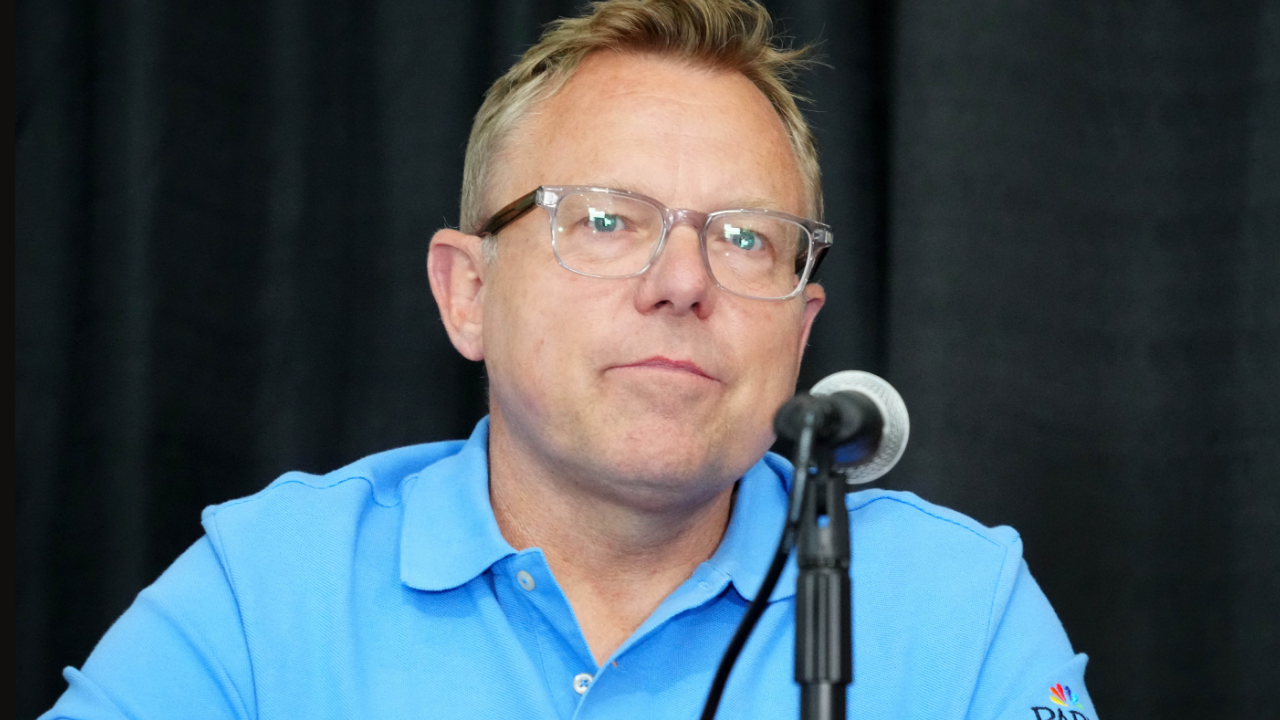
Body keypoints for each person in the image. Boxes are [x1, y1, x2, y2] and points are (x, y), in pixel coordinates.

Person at [41, 1, 1098, 718]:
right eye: (604, 220)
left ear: (802, 329)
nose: (681, 280)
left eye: (744, 238)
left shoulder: (956, 609)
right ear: (467, 292)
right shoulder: (272, 588)